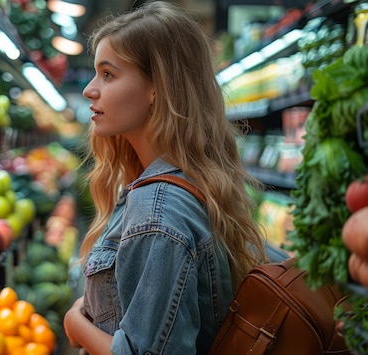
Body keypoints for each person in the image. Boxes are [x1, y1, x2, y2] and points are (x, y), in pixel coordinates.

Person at [63, 2, 270, 354]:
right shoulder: (187, 185)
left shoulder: (157, 210)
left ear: (156, 87)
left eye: (108, 74)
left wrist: (75, 323)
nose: (90, 90)